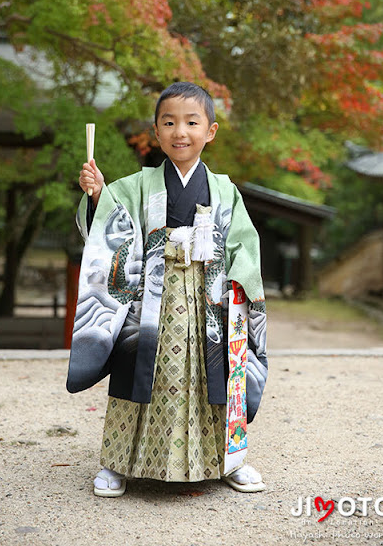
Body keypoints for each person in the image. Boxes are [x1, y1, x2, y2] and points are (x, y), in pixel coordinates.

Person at [67, 82, 268, 497]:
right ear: (156, 132)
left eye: (192, 122)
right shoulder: (135, 186)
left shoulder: (225, 190)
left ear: (210, 131)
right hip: (148, 302)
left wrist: (239, 285)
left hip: (209, 301)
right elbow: (110, 226)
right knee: (134, 368)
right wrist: (99, 194)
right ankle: (118, 462)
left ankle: (228, 460)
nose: (181, 131)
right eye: (169, 122)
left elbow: (245, 246)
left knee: (217, 376)